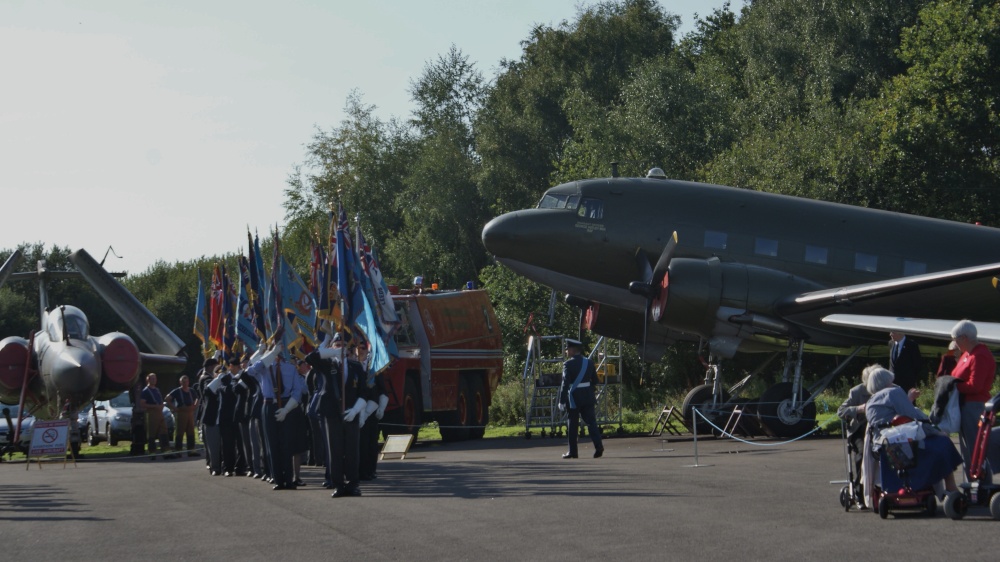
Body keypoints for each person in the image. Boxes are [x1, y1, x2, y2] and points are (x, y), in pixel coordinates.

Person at [863, 367, 960, 497]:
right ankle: (950, 487)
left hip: (880, 445)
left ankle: (947, 487)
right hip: (902, 443)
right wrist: (936, 431)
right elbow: (913, 417)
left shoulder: (870, 402)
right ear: (887, 381)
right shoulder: (893, 392)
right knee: (943, 443)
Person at [245, 344, 306, 490]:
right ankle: (277, 479)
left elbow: (298, 391)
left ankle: (289, 480)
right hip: (268, 405)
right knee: (271, 443)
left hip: (286, 405)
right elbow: (250, 371)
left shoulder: (291, 368)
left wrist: (286, 409)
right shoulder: (264, 367)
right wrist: (270, 355)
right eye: (274, 351)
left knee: (287, 443)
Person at [950, 319, 997, 473]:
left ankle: (980, 488)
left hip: (974, 406)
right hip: (964, 405)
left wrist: (953, 386)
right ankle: (971, 487)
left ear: (964, 338)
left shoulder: (979, 356)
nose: (955, 343)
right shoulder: (967, 354)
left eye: (955, 339)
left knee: (974, 451)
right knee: (967, 451)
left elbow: (975, 386)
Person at [837, 364, 877, 505]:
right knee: (862, 454)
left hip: (879, 429)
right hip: (860, 430)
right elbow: (841, 411)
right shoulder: (856, 392)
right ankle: (860, 492)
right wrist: (858, 409)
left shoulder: (886, 389)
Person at [558, 339, 604, 459]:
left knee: (572, 424)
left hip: (574, 398)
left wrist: (562, 400)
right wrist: (587, 390)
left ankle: (573, 451)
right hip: (588, 397)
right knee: (591, 422)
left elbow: (565, 384)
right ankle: (598, 446)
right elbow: (595, 381)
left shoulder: (568, 364)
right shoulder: (589, 362)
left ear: (573, 350)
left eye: (568, 350)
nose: (567, 352)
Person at [140, 373, 172, 459]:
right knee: (152, 434)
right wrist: (154, 406)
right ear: (148, 380)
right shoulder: (145, 391)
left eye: (155, 378)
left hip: (160, 413)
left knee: (164, 432)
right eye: (152, 379)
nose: (154, 380)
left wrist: (161, 406)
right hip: (151, 414)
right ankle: (152, 452)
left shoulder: (157, 390)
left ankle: (166, 451)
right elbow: (142, 404)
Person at [166, 375, 199, 457]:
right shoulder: (177, 391)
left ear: (188, 382)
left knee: (191, 432)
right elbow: (167, 398)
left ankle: (191, 450)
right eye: (183, 382)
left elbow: (197, 398)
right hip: (181, 413)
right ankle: (178, 451)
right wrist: (174, 408)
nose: (185, 383)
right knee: (179, 432)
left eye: (186, 381)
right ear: (180, 382)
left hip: (190, 412)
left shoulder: (191, 390)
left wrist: (195, 406)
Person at [888, 331, 922, 397]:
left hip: (907, 386)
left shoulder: (912, 345)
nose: (890, 334)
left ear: (900, 332)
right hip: (892, 385)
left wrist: (910, 378)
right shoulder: (891, 343)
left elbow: (917, 365)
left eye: (893, 332)